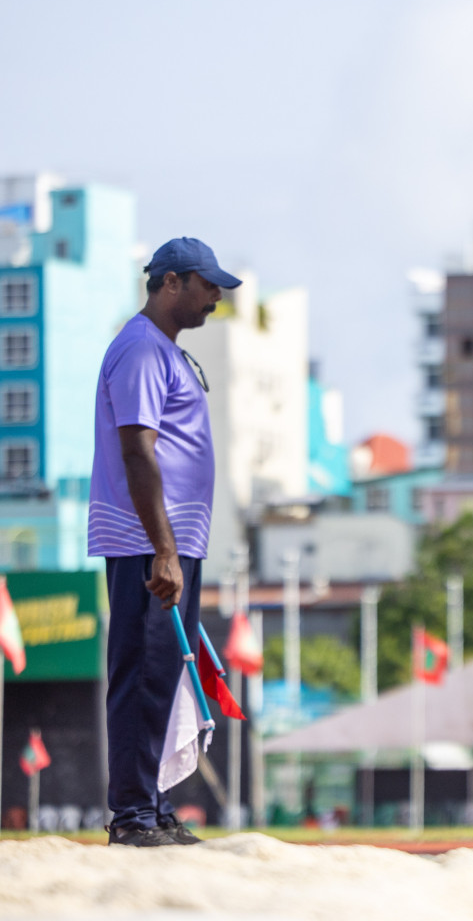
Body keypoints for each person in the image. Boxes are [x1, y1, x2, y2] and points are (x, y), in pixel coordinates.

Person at [88, 238, 241, 847]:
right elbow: (137, 449)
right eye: (208, 286)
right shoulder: (141, 349)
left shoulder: (169, 353)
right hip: (145, 541)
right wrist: (165, 550)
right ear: (171, 282)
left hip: (172, 540)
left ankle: (151, 805)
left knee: (168, 675)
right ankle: (131, 816)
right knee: (143, 673)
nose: (216, 297)